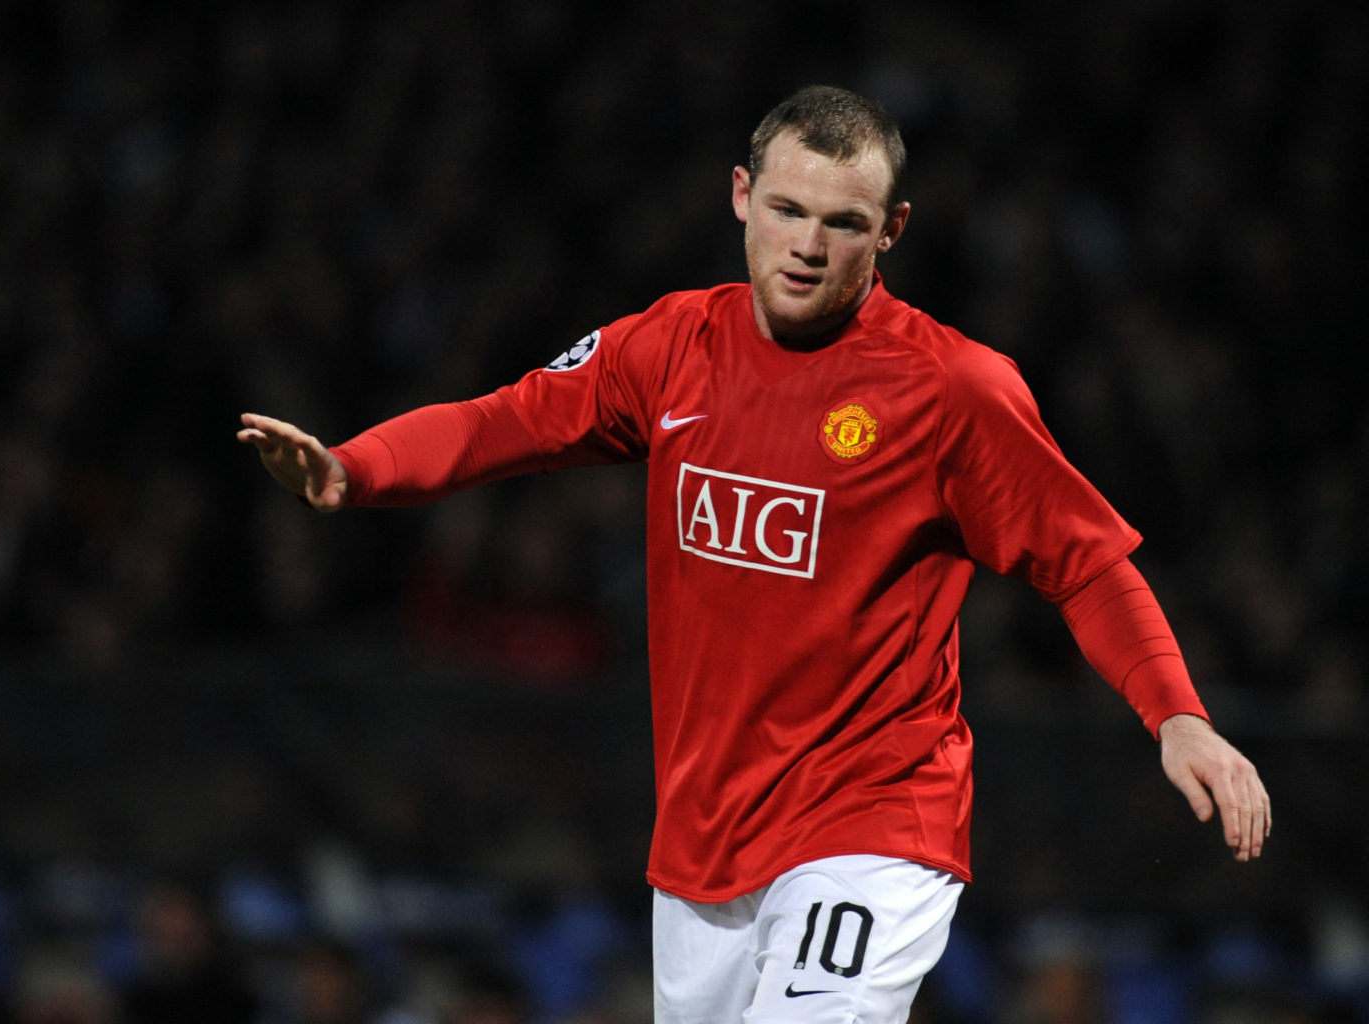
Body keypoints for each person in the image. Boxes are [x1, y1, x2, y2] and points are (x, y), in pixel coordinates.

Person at [238, 85, 1271, 1024]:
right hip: (705, 835)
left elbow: (1084, 561)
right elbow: (507, 421)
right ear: (740, 195)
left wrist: (1178, 716)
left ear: (891, 232)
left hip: (874, 820)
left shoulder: (955, 391)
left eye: (844, 223)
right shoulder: (674, 344)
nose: (808, 245)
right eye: (787, 210)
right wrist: (352, 469)